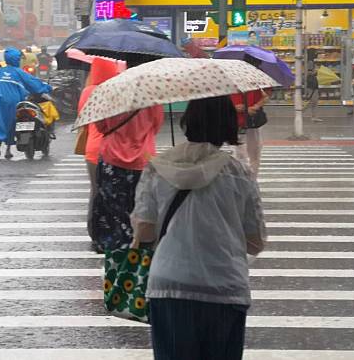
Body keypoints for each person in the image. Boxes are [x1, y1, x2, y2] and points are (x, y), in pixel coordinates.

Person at [131, 96, 266, 360]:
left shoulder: (158, 168)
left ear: (187, 121)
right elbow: (256, 241)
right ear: (228, 124)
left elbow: (144, 233)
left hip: (169, 286)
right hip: (225, 288)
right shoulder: (239, 172)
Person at [91, 102, 164, 252]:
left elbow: (101, 127)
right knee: (143, 211)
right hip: (143, 159)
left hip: (112, 159)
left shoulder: (111, 96)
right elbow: (156, 126)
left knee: (114, 215)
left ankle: (117, 257)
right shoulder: (152, 99)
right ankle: (138, 253)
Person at [77, 58, 120, 244]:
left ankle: (94, 232)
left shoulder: (87, 91)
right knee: (111, 193)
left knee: (95, 192)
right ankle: (110, 232)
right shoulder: (115, 91)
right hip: (110, 150)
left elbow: (83, 118)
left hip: (91, 150)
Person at [0, 48, 51, 159]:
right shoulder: (18, 71)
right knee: (13, 123)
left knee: (0, 121)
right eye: (19, 58)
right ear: (16, 59)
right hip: (13, 100)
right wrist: (47, 88)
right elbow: (32, 83)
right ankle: (8, 149)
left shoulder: (0, 71)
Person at [231, 55, 270, 177]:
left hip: (253, 121)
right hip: (236, 121)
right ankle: (242, 179)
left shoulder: (260, 75)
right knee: (239, 153)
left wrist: (256, 106)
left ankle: (252, 179)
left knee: (254, 152)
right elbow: (223, 96)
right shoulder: (232, 76)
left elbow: (267, 95)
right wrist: (233, 107)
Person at [304, 49, 323, 123]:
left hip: (312, 84)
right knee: (313, 101)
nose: (317, 54)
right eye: (316, 53)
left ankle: (314, 116)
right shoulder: (310, 62)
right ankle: (301, 112)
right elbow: (309, 73)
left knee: (313, 102)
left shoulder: (310, 61)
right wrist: (316, 71)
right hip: (312, 85)